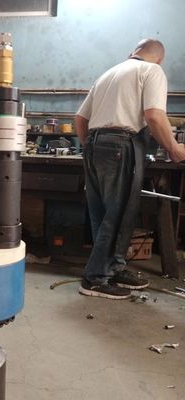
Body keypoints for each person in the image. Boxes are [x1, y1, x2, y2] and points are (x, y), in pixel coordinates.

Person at [74, 39, 185, 300]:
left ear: (132, 53)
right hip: (120, 145)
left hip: (94, 145)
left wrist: (92, 147)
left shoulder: (108, 74)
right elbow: (154, 116)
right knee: (118, 215)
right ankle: (95, 278)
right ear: (159, 59)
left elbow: (80, 119)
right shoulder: (152, 70)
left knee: (102, 216)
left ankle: (112, 268)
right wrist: (175, 149)